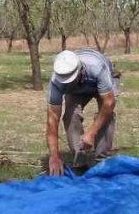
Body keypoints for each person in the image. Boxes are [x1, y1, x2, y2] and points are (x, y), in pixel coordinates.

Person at [46, 48, 118, 176]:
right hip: (76, 90)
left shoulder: (96, 67)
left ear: (79, 71)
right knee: (70, 114)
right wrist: (54, 156)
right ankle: (79, 159)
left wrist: (91, 133)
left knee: (106, 114)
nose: (67, 83)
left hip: (99, 82)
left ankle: (102, 160)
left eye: (70, 80)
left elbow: (109, 103)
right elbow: (52, 120)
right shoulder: (56, 82)